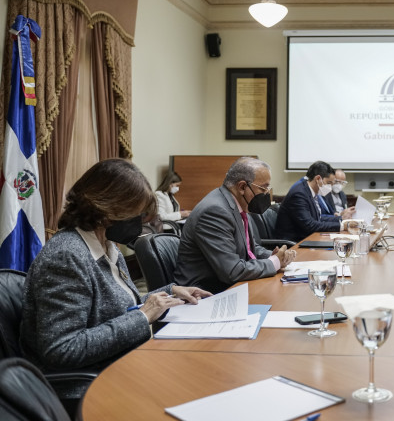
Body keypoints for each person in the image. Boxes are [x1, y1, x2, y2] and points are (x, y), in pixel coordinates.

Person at [21, 159, 211, 401]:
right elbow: (62, 349)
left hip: (120, 363)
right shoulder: (66, 256)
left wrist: (171, 293)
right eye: (136, 214)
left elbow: (117, 307)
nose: (140, 221)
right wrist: (143, 316)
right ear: (107, 210)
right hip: (85, 386)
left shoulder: (108, 246)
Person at [174, 157, 296, 294]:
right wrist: (274, 263)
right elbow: (232, 271)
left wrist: (274, 256)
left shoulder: (237, 204)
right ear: (242, 187)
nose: (267, 193)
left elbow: (248, 248)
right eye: (263, 188)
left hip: (229, 286)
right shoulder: (215, 211)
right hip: (203, 294)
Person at [275, 161, 356, 242]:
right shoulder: (299, 193)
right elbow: (310, 225)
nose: (330, 187)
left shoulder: (310, 191)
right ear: (317, 179)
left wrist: (341, 219)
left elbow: (318, 218)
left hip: (306, 238)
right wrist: (342, 226)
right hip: (293, 243)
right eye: (329, 183)